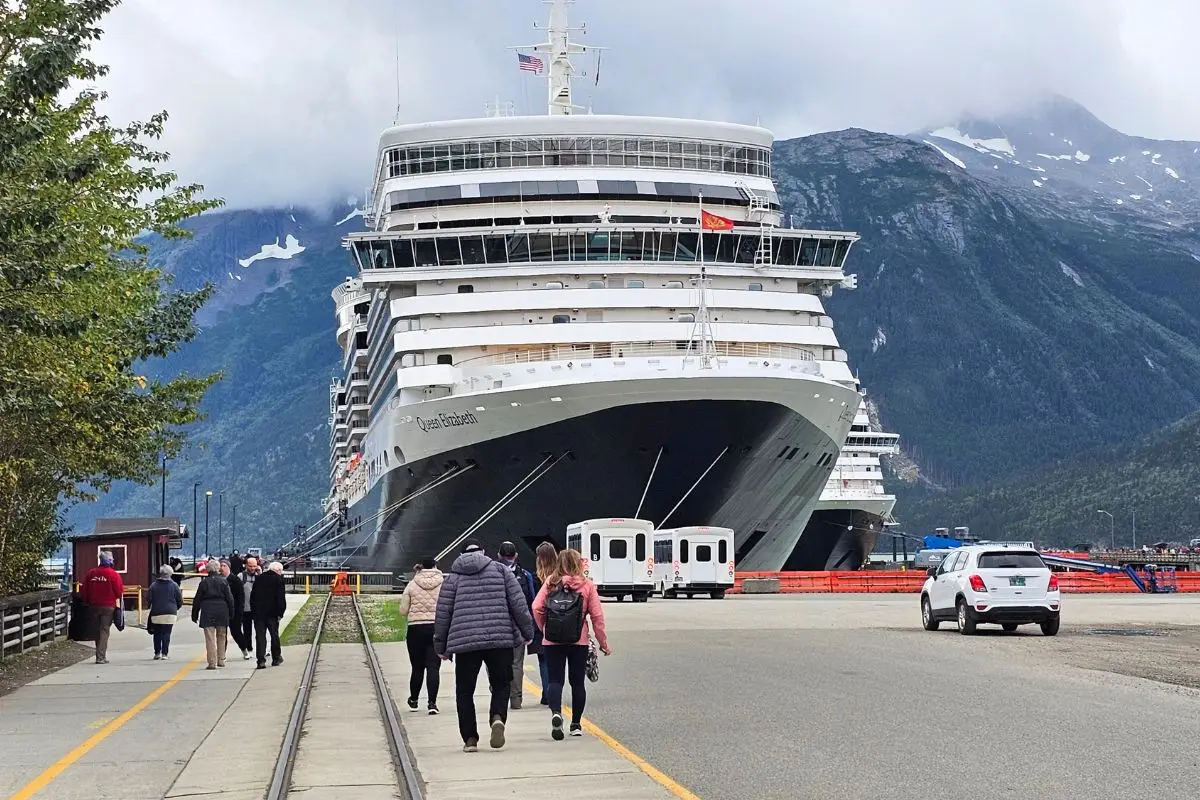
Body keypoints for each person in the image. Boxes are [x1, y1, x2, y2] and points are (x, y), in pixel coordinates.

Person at [434, 539, 534, 753]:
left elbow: (443, 615)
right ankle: (497, 716)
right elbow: (518, 605)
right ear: (484, 552)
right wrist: (528, 633)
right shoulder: (501, 571)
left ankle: (470, 739)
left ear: (461, 555)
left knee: (464, 691)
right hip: (500, 639)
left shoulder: (452, 579)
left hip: (465, 643)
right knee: (501, 683)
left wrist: (441, 647)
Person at [532, 548, 610, 741]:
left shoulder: (551, 582)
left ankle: (556, 714)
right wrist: (603, 642)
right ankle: (575, 724)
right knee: (577, 683)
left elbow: (536, 607)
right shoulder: (587, 585)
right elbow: (597, 616)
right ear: (578, 564)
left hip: (552, 640)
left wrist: (545, 628)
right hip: (578, 640)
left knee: (555, 681)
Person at [398, 556, 444, 714]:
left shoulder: (411, 585)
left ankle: (414, 699)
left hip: (416, 629)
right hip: (436, 627)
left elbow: (403, 611)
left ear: (420, 567)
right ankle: (432, 704)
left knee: (417, 667)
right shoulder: (443, 584)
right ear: (436, 566)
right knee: (433, 667)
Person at [496, 541, 538, 710]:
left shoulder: (492, 574)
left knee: (497, 663)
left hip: (497, 626)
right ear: (516, 556)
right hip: (518, 627)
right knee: (516, 663)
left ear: (499, 555)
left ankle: (498, 694)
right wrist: (529, 629)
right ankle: (516, 700)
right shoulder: (525, 575)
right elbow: (531, 603)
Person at [80, 551, 124, 664]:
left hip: (93, 606)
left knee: (96, 630)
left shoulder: (91, 573)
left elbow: (84, 591)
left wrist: (87, 601)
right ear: (109, 561)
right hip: (108, 607)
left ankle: (99, 654)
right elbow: (119, 592)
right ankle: (100, 656)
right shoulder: (114, 574)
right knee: (104, 630)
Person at [191, 558, 235, 670]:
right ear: (218, 569)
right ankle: (221, 659)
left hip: (207, 610)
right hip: (222, 609)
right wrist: (231, 612)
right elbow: (230, 598)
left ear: (207, 570)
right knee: (222, 636)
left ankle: (212, 662)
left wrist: (194, 614)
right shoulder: (224, 581)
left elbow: (197, 600)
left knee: (210, 638)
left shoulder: (204, 583)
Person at [532, 541, 558, 702]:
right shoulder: (561, 576)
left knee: (543, 660)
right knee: (557, 661)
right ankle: (555, 691)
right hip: (560, 621)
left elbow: (533, 603)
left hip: (541, 623)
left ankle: (547, 694)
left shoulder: (534, 578)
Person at [250, 561, 287, 668]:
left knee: (260, 637)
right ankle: (276, 658)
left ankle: (261, 661)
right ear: (278, 570)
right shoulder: (279, 580)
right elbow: (281, 599)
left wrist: (254, 612)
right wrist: (281, 613)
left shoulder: (259, 578)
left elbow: (253, 596)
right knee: (274, 635)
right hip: (273, 614)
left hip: (259, 614)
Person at [148, 564, 184, 660]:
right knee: (166, 633)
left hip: (156, 612)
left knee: (157, 633)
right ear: (170, 573)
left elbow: (149, 599)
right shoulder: (174, 585)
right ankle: (165, 653)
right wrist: (175, 608)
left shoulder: (153, 585)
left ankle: (157, 653)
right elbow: (180, 600)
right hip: (170, 612)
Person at [220, 559, 248, 660]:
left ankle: (244, 649)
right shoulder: (219, 580)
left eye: (224, 566)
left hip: (235, 610)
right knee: (222, 633)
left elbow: (240, 597)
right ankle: (222, 654)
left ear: (228, 567)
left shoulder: (235, 580)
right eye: (221, 566)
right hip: (223, 610)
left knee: (236, 632)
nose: (222, 568)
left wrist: (239, 610)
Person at [238, 557, 261, 661]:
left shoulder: (259, 576)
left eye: (254, 566)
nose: (252, 568)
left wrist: (260, 574)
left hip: (257, 608)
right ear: (246, 565)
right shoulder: (241, 576)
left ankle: (261, 649)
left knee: (260, 630)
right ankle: (249, 648)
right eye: (250, 566)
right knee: (247, 630)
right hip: (245, 608)